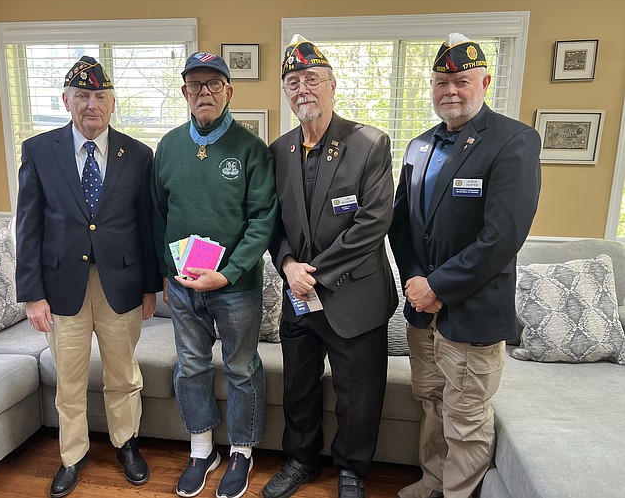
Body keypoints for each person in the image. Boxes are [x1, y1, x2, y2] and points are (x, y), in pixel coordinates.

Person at [388, 33, 542, 498]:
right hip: (422, 311)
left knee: (467, 418)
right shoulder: (418, 147)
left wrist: (437, 285)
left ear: (485, 82)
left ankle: (459, 494)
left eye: (461, 81)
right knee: (432, 403)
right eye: (440, 81)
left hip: (471, 313)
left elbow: (501, 238)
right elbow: (401, 226)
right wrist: (416, 279)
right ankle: (433, 481)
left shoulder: (514, 141)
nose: (450, 90)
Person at [15, 56, 162, 498]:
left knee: (123, 373)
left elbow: (146, 224)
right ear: (66, 100)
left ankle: (126, 443)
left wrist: (151, 284)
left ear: (113, 102)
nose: (91, 104)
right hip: (62, 289)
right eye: (82, 95)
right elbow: (28, 225)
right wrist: (31, 295)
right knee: (70, 379)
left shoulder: (138, 154)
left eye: (100, 95)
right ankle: (72, 456)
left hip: (122, 285)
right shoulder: (39, 151)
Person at [262, 35, 398, 498]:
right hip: (297, 297)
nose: (303, 89)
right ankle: (300, 460)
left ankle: (351, 470)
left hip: (354, 297)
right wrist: (286, 265)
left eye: (312, 79)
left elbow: (372, 224)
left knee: (357, 395)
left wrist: (311, 273)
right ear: (286, 91)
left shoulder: (369, 143)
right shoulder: (278, 151)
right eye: (293, 81)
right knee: (298, 388)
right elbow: (271, 222)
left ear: (332, 86)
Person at [151, 52, 278, 498]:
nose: (203, 92)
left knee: (242, 368)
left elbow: (264, 219)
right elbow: (158, 213)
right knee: (191, 366)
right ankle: (202, 448)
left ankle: (241, 452)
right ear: (185, 92)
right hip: (183, 287)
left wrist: (229, 273)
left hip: (235, 288)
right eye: (195, 85)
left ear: (229, 91)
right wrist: (166, 272)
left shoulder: (252, 149)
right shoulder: (167, 147)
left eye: (213, 85)